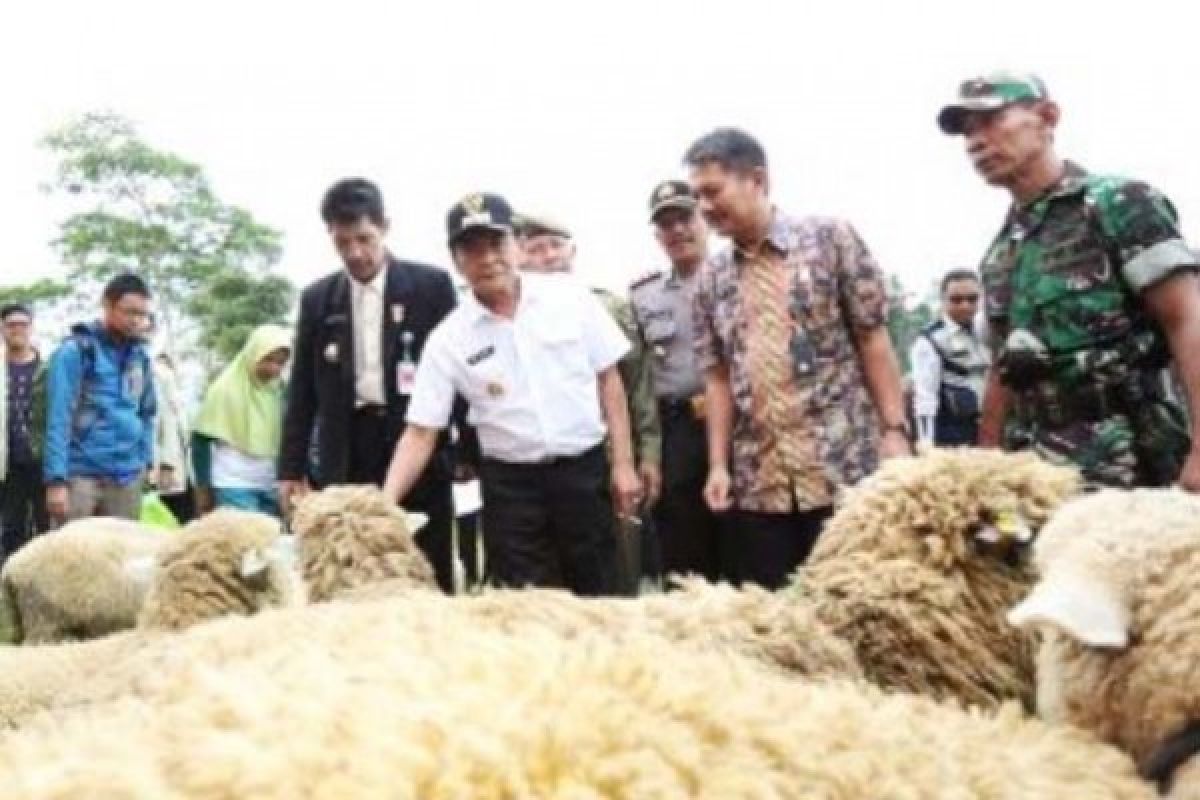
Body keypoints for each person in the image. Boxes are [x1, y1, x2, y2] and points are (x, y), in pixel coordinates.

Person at [938, 71, 1200, 490]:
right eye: (967, 131)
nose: (975, 141)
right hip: (1038, 476)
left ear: (1047, 116)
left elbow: (1187, 320)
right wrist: (985, 465)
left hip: (1129, 463)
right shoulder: (1001, 252)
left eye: (991, 120)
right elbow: (1002, 369)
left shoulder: (1118, 205)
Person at [382, 192, 641, 596]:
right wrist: (385, 501)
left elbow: (609, 381)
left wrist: (624, 465)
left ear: (517, 246)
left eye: (496, 243)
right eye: (472, 249)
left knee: (603, 596)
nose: (487, 258)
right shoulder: (449, 338)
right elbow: (421, 432)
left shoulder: (570, 298)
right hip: (512, 491)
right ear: (457, 261)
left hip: (583, 476)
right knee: (527, 612)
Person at [686, 128, 911, 589]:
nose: (705, 208)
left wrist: (894, 431)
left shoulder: (830, 239)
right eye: (697, 197)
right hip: (760, 483)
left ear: (757, 179)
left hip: (843, 469)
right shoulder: (710, 279)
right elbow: (718, 379)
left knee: (860, 600)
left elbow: (872, 338)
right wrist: (718, 465)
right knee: (778, 617)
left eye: (713, 191)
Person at [279, 178, 460, 592]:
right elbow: (302, 388)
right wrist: (290, 467)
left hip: (415, 440)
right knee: (349, 565)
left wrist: (463, 447)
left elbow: (458, 374)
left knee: (424, 559)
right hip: (347, 448)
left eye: (364, 239)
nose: (355, 253)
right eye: (343, 243)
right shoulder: (317, 300)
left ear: (385, 228)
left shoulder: (431, 287)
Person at [514, 212, 662, 594]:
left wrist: (645, 457)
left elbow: (637, 389)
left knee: (614, 575)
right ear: (519, 256)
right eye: (536, 248)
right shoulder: (506, 316)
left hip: (609, 460)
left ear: (573, 251)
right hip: (541, 472)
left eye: (556, 246)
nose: (548, 257)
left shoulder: (607, 307)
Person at [629, 180, 733, 583]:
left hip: (741, 425)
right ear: (657, 235)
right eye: (666, 224)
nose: (677, 231)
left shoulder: (737, 277)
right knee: (682, 545)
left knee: (742, 535)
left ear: (703, 219)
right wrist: (647, 453)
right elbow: (638, 380)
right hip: (678, 430)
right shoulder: (644, 296)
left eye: (684, 218)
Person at [43, 273, 157, 523]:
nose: (136, 321)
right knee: (71, 555)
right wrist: (56, 481)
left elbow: (147, 413)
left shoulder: (141, 358)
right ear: (107, 305)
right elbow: (58, 418)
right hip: (81, 475)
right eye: (129, 312)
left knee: (124, 557)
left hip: (127, 476)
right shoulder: (75, 351)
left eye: (142, 314)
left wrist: (147, 461)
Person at [191, 325, 292, 515]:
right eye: (267, 360)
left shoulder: (278, 391)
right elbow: (200, 442)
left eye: (280, 363)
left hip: (271, 485)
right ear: (252, 355)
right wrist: (203, 489)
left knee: (272, 541)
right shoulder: (224, 390)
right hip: (233, 485)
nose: (273, 368)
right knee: (245, 542)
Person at [909, 269, 990, 446]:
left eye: (972, 299)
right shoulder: (930, 340)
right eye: (956, 300)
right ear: (943, 301)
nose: (965, 306)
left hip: (988, 429)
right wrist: (926, 444)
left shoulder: (987, 331)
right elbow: (925, 398)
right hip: (951, 435)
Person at [1, 304, 48, 559]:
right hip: (7, 463)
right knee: (10, 528)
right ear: (2, 329)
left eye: (23, 324)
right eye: (11, 325)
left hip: (42, 460)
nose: (17, 329)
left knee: (46, 526)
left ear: (31, 328)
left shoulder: (48, 369)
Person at [151, 352, 194, 523]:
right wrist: (167, 463)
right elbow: (165, 427)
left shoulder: (179, 399)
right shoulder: (161, 390)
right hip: (166, 466)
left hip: (182, 467)